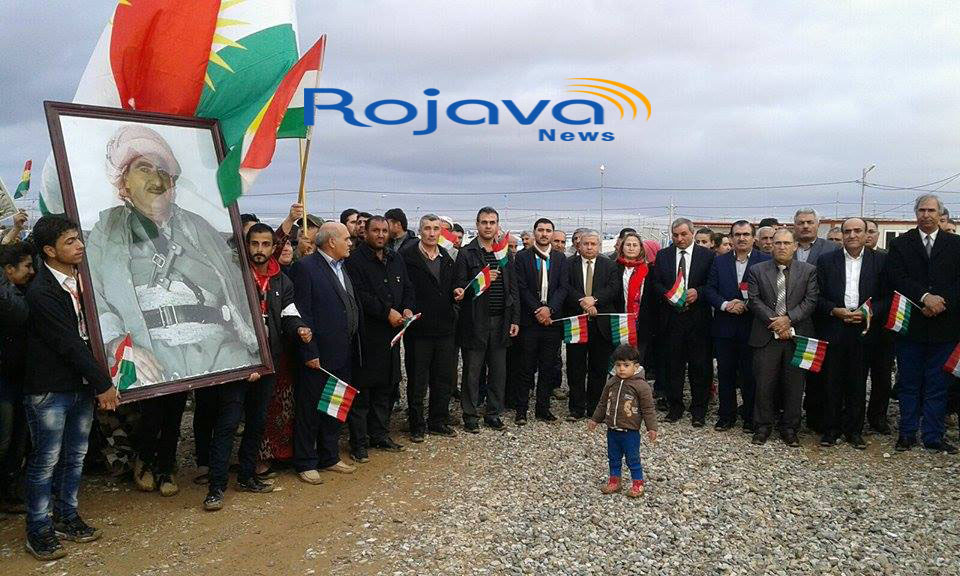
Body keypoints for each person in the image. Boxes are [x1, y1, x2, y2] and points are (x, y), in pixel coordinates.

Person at [85, 124, 261, 390]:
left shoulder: (200, 227)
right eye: (144, 169)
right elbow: (94, 298)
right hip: (148, 349)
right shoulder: (107, 231)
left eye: (163, 172)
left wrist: (256, 354)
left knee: (229, 405)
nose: (157, 180)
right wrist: (116, 343)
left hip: (218, 347)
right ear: (124, 181)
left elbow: (236, 287)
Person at [22, 216, 119, 560]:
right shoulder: (42, 292)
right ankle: (38, 529)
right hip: (50, 388)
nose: (79, 245)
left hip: (80, 385)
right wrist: (104, 384)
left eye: (79, 238)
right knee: (46, 460)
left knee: (75, 456)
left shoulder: (85, 281)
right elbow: (69, 343)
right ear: (49, 251)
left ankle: (66, 516)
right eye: (70, 242)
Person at [198, 223, 313, 510]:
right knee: (227, 424)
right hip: (237, 362)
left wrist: (299, 328)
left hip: (267, 363)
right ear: (246, 246)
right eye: (254, 244)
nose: (259, 250)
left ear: (273, 247)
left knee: (257, 422)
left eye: (265, 244)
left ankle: (247, 476)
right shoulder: (233, 277)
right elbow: (220, 320)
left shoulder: (282, 280)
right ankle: (216, 487)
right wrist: (245, 358)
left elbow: (288, 314)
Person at [886, 194, 960, 453]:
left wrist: (941, 301)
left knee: (938, 384)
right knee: (909, 383)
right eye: (921, 210)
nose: (926, 215)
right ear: (915, 213)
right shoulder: (900, 244)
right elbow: (896, 277)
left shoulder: (955, 244)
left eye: (931, 210)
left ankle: (933, 436)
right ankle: (906, 433)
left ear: (940, 214)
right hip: (912, 324)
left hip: (945, 325)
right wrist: (924, 297)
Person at [290, 222, 360, 483]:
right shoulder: (306, 268)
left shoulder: (342, 266)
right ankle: (305, 461)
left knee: (335, 405)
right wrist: (309, 351)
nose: (350, 243)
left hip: (344, 350)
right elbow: (302, 312)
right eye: (346, 238)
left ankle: (329, 456)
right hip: (319, 354)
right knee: (310, 409)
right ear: (331, 242)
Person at [345, 216, 415, 460]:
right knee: (362, 392)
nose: (381, 235)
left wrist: (407, 308)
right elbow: (359, 295)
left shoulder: (396, 258)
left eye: (384, 231)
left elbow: (407, 287)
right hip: (366, 336)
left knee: (386, 387)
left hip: (392, 336)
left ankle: (380, 435)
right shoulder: (354, 261)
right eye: (376, 230)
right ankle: (358, 442)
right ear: (365, 232)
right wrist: (386, 312)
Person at [815, 218, 884, 450]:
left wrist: (868, 313)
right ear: (842, 235)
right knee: (831, 381)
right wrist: (834, 310)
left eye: (857, 231)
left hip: (865, 329)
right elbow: (817, 296)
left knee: (858, 381)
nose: (852, 235)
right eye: (847, 231)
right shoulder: (826, 261)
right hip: (834, 326)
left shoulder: (881, 261)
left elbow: (888, 297)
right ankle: (831, 429)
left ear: (866, 234)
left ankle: (854, 431)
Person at [747, 228, 818, 447]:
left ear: (795, 246)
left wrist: (788, 320)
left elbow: (811, 300)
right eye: (777, 243)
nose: (781, 247)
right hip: (766, 335)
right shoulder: (757, 270)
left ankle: (790, 428)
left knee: (794, 385)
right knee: (764, 384)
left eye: (787, 243)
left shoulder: (808, 271)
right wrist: (777, 323)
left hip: (797, 336)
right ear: (771, 246)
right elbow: (754, 300)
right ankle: (762, 426)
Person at [453, 207, 519, 433]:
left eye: (492, 222)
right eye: (484, 222)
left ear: (498, 225)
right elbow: (459, 288)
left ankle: (493, 413)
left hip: (501, 321)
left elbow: (514, 289)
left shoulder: (505, 253)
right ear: (477, 225)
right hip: (475, 322)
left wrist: (515, 319)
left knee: (499, 372)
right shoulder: (466, 253)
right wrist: (482, 279)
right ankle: (470, 415)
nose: (488, 226)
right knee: (472, 372)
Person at [703, 221, 770, 432]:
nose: (742, 238)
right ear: (731, 238)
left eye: (746, 234)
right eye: (737, 234)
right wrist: (726, 305)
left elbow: (768, 293)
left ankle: (750, 417)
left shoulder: (765, 260)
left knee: (750, 375)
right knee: (725, 373)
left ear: (753, 238)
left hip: (753, 326)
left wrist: (747, 304)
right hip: (725, 326)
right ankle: (726, 415)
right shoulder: (719, 261)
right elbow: (710, 289)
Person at [651, 218, 716, 426]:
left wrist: (699, 292)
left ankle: (699, 410)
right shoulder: (663, 255)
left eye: (683, 234)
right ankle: (675, 407)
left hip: (699, 320)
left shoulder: (707, 256)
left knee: (700, 367)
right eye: (675, 235)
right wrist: (668, 295)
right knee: (673, 366)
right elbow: (655, 282)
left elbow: (713, 284)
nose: (679, 239)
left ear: (692, 233)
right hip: (671, 319)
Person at [401, 215, 458, 441]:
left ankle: (438, 421)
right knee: (417, 379)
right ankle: (416, 424)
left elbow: (453, 285)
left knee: (442, 378)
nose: (432, 233)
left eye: (436, 229)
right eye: (427, 228)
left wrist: (458, 291)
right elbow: (403, 288)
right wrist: (406, 308)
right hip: (419, 330)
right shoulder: (407, 257)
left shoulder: (446, 257)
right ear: (420, 231)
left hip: (445, 328)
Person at [514, 218, 569, 424]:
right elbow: (521, 287)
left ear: (552, 233)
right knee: (525, 367)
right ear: (534, 232)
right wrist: (537, 310)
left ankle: (543, 408)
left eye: (548, 230)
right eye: (540, 230)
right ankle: (521, 410)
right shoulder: (522, 257)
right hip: (530, 320)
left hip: (552, 321)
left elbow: (563, 287)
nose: (544, 234)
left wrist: (550, 309)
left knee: (548, 367)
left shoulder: (560, 258)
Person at [586, 345, 657, 498]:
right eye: (618, 365)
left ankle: (638, 483)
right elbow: (603, 403)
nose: (621, 369)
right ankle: (614, 480)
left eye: (626, 365)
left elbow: (648, 409)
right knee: (613, 457)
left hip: (630, 431)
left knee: (633, 458)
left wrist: (652, 428)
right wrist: (595, 419)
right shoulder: (612, 382)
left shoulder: (641, 386)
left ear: (635, 366)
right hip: (612, 429)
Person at [792, 208, 839, 433]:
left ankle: (815, 417)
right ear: (794, 225)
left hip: (820, 319)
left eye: (810, 222)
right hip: (789, 319)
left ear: (818, 225)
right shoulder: (785, 246)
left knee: (817, 371)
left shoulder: (831, 249)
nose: (805, 226)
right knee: (790, 371)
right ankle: (788, 416)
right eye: (801, 222)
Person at [564, 229, 618, 420]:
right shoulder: (568, 264)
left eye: (593, 244)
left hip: (600, 324)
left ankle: (595, 408)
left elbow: (613, 288)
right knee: (575, 367)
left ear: (599, 246)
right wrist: (583, 302)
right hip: (576, 322)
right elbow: (565, 287)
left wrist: (594, 300)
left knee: (599, 368)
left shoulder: (609, 265)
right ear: (578, 246)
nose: (589, 247)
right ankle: (576, 408)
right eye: (585, 244)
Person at [0, 241, 34, 513]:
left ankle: (9, 492)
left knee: (17, 439)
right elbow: (18, 313)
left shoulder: (22, 290)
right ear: (8, 270)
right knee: (5, 438)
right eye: (27, 266)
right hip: (4, 381)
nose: (32, 272)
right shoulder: (9, 297)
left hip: (20, 377)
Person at [862, 219, 894, 433]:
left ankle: (878, 416)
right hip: (855, 325)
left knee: (882, 376)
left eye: (872, 232)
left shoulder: (886, 259)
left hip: (882, 327)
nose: (867, 236)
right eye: (865, 231)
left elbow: (891, 293)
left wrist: (874, 310)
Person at [613, 232, 654, 361]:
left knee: (638, 359)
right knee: (619, 359)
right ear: (622, 247)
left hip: (641, 321)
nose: (631, 248)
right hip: (619, 320)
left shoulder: (649, 270)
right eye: (628, 245)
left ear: (641, 248)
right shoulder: (613, 267)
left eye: (635, 245)